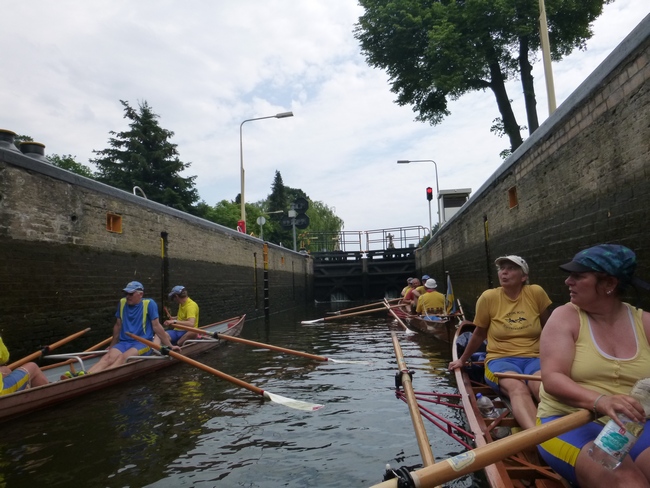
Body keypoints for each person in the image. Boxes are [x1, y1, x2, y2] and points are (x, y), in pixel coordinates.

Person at [537, 244, 650, 487]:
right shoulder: (564, 317)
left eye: (578, 276)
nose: (568, 281)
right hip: (568, 419)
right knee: (629, 484)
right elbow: (553, 378)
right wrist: (602, 401)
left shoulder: (646, 323)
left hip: (632, 424)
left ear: (609, 284)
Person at [448, 255, 552, 430]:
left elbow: (549, 328)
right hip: (500, 360)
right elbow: (479, 333)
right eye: (501, 268)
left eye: (511, 268)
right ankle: (540, 439)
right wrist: (462, 360)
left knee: (543, 388)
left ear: (524, 276)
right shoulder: (489, 297)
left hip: (534, 359)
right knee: (518, 390)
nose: (504, 272)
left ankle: (561, 432)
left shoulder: (536, 293)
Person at [84, 281, 180, 375]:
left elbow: (157, 327)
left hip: (144, 343)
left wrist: (170, 346)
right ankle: (85, 375)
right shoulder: (122, 303)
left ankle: (101, 377)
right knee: (107, 358)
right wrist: (112, 345)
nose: (127, 296)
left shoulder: (149, 304)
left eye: (130, 294)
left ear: (140, 294)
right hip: (124, 342)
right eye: (126, 293)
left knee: (122, 358)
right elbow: (118, 326)